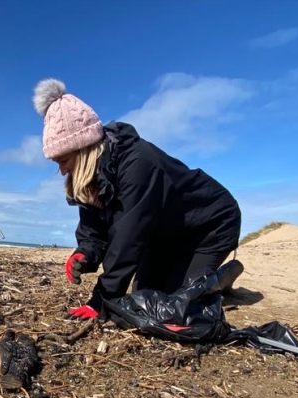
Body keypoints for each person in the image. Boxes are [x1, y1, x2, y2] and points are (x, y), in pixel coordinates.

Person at [33, 79, 242, 320]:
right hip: (163, 234)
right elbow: (94, 230)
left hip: (210, 225)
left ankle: (219, 279)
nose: (62, 171)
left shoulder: (138, 164)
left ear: (83, 150)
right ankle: (206, 276)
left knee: (174, 306)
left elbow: (127, 238)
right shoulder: (92, 178)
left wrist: (100, 300)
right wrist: (85, 253)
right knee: (144, 296)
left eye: (64, 161)